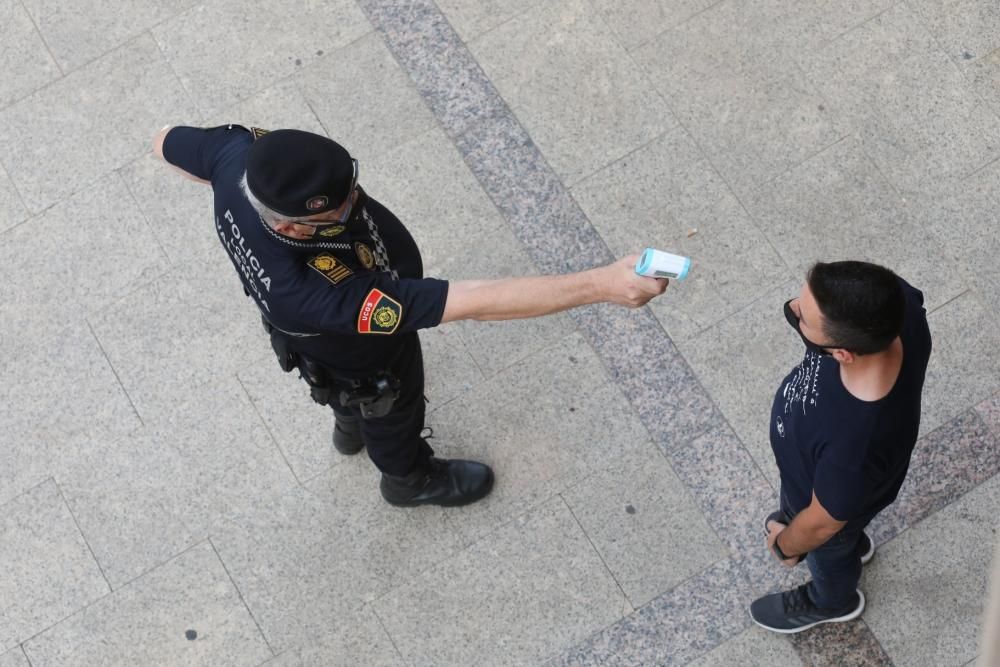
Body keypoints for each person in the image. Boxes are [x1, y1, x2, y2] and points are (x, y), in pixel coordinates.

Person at [152, 124, 667, 508]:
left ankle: (347, 426)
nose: (354, 201)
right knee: (389, 405)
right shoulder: (314, 292)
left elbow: (165, 142)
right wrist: (601, 285)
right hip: (363, 349)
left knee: (341, 393)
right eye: (338, 209)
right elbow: (474, 302)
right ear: (294, 230)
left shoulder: (240, 159)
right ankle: (408, 481)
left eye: (351, 187)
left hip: (313, 343)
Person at [750, 260, 932, 633]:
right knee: (844, 532)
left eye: (802, 319)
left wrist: (787, 545)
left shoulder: (854, 446)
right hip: (839, 495)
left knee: (829, 550)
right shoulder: (892, 305)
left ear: (843, 354)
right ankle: (853, 542)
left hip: (824, 507)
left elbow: (822, 522)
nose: (792, 309)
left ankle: (832, 601)